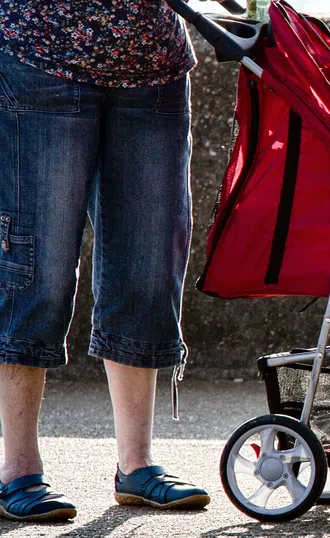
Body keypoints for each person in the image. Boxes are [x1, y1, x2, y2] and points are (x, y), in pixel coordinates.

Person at [0, 1, 209, 522]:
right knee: (36, 267)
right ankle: (17, 469)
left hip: (153, 66)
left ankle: (137, 467)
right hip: (39, 57)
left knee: (148, 266)